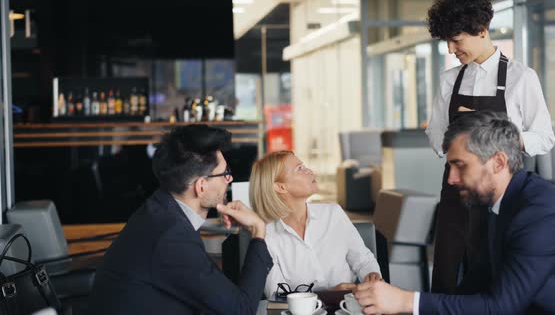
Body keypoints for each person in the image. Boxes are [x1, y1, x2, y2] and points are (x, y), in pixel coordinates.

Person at [355, 111, 555, 314]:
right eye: (450, 167)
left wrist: (405, 301)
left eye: (461, 165)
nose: (451, 179)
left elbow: (501, 308)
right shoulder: (502, 202)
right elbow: (478, 282)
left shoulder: (540, 216)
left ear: (498, 162)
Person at [424, 0, 555, 293]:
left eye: (457, 40)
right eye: (447, 41)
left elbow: (545, 137)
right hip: (456, 189)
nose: (451, 49)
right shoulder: (450, 80)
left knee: (495, 273)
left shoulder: (520, 77)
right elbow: (435, 133)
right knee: (448, 270)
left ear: (481, 31)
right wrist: (452, 142)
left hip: (502, 193)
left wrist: (496, 130)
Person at [89, 125, 272, 315]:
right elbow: (241, 310)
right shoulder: (172, 238)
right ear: (201, 186)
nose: (230, 179)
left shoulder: (158, 209)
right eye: (225, 173)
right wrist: (258, 230)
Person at [248, 151, 382, 299]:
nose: (309, 171)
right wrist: (325, 295)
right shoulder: (266, 236)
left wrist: (371, 274)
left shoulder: (334, 213)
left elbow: (363, 259)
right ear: (281, 187)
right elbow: (276, 295)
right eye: (299, 169)